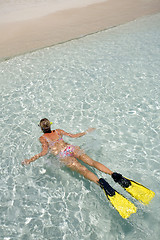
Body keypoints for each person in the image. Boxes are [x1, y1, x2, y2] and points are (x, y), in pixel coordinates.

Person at [22, 118, 113, 185]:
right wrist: (86, 132)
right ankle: (113, 174)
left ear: (41, 129)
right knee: (92, 162)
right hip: (70, 148)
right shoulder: (58, 131)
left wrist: (30, 160)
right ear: (50, 125)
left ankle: (102, 185)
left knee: (84, 170)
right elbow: (73, 136)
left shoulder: (42, 138)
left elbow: (44, 152)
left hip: (62, 155)